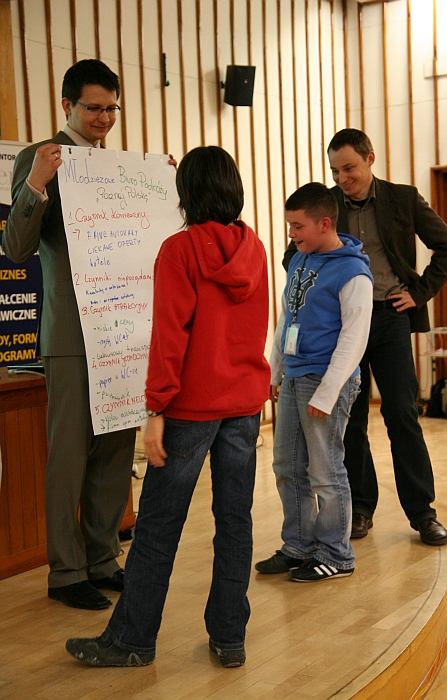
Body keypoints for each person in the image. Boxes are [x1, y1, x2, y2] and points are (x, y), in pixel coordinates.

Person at [65, 145, 270, 669]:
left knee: (157, 527)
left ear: (187, 193)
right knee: (235, 523)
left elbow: (169, 337)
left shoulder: (178, 250)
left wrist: (155, 409)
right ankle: (229, 637)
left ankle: (131, 640)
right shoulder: (255, 247)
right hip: (244, 404)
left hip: (191, 408)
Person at [3, 60, 137, 610]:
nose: (104, 118)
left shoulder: (120, 168)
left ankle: (103, 559)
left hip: (122, 328)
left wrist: (163, 191)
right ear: (67, 106)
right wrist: (37, 182)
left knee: (116, 447)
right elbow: (15, 249)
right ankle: (66, 572)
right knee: (69, 455)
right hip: (71, 333)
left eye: (112, 108)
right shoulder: (41, 158)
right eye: (93, 108)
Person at [284, 128, 447, 546]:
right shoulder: (327, 204)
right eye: (335, 170)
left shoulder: (404, 198)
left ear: (370, 159)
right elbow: (293, 255)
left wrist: (418, 292)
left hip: (390, 318)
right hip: (342, 326)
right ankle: (361, 509)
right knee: (352, 420)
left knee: (402, 414)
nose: (342, 178)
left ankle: (422, 513)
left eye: (349, 168)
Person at [256, 182, 373, 582]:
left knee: (325, 472)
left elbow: (354, 340)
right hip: (294, 377)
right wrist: (275, 370)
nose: (291, 234)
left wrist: (327, 393)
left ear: (325, 223)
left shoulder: (353, 273)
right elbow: (286, 319)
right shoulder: (300, 261)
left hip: (327, 382)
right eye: (289, 225)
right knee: (287, 466)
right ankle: (299, 546)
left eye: (298, 226)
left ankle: (336, 554)